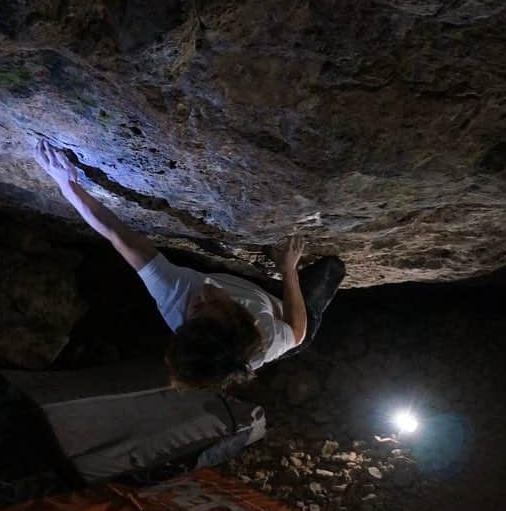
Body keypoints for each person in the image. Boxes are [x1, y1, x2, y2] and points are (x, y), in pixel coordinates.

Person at [34, 140, 345, 388]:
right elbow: (298, 330)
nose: (203, 293)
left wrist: (68, 187)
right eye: (210, 305)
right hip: (284, 316)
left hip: (256, 295)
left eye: (194, 310)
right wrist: (288, 269)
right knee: (328, 272)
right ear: (243, 318)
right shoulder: (266, 339)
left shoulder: (174, 295)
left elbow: (119, 236)